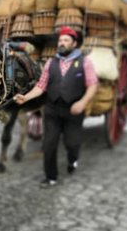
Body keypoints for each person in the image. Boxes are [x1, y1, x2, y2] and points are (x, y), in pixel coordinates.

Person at [13, 26, 98, 188]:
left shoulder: (84, 62)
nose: (62, 43)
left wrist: (82, 103)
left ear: (74, 44)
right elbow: (41, 86)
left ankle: (73, 160)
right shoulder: (51, 62)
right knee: (49, 144)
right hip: (52, 110)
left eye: (66, 40)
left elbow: (92, 85)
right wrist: (26, 97)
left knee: (72, 144)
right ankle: (51, 177)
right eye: (60, 40)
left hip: (73, 111)